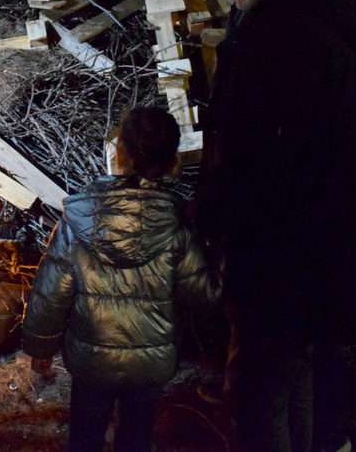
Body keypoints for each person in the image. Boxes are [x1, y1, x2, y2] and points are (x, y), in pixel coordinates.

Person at [194, 0, 356, 452]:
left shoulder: (284, 31)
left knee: (259, 396)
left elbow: (265, 162)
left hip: (282, 259)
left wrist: (214, 216)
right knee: (298, 385)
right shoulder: (319, 11)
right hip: (319, 255)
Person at [22, 106, 220, 452]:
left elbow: (52, 290)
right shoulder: (178, 224)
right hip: (151, 362)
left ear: (120, 153)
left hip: (91, 359)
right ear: (173, 161)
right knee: (135, 439)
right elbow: (202, 296)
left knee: (84, 437)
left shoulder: (82, 215)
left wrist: (41, 348)